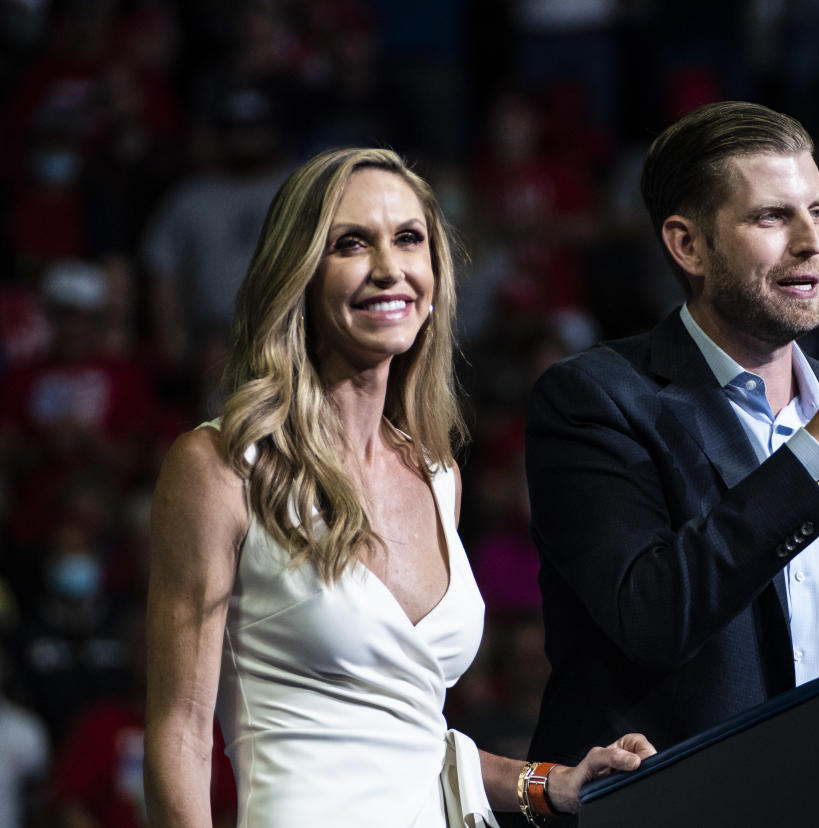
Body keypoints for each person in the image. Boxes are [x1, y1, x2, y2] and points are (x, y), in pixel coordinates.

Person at [143, 147, 653, 828]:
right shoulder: (220, 465)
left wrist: (549, 783)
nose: (389, 267)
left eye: (408, 239)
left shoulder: (439, 473)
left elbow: (409, 737)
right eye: (351, 243)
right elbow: (179, 734)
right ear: (297, 275)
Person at [524, 101, 819, 764]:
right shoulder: (596, 400)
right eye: (772, 216)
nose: (810, 242)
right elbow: (653, 618)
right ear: (688, 245)